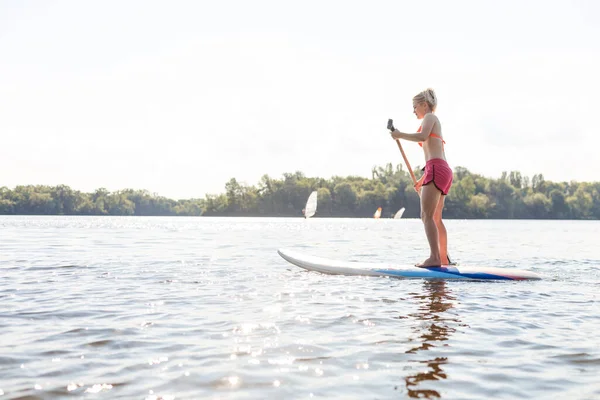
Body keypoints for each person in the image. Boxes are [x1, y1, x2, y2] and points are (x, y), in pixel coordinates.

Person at [390, 88, 453, 267]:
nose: (413, 111)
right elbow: (436, 152)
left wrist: (399, 134)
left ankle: (434, 258)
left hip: (436, 169)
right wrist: (423, 179)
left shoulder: (430, 117)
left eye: (415, 106)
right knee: (435, 218)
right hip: (440, 169)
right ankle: (443, 259)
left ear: (424, 105)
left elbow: (423, 136)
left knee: (426, 215)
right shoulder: (432, 121)